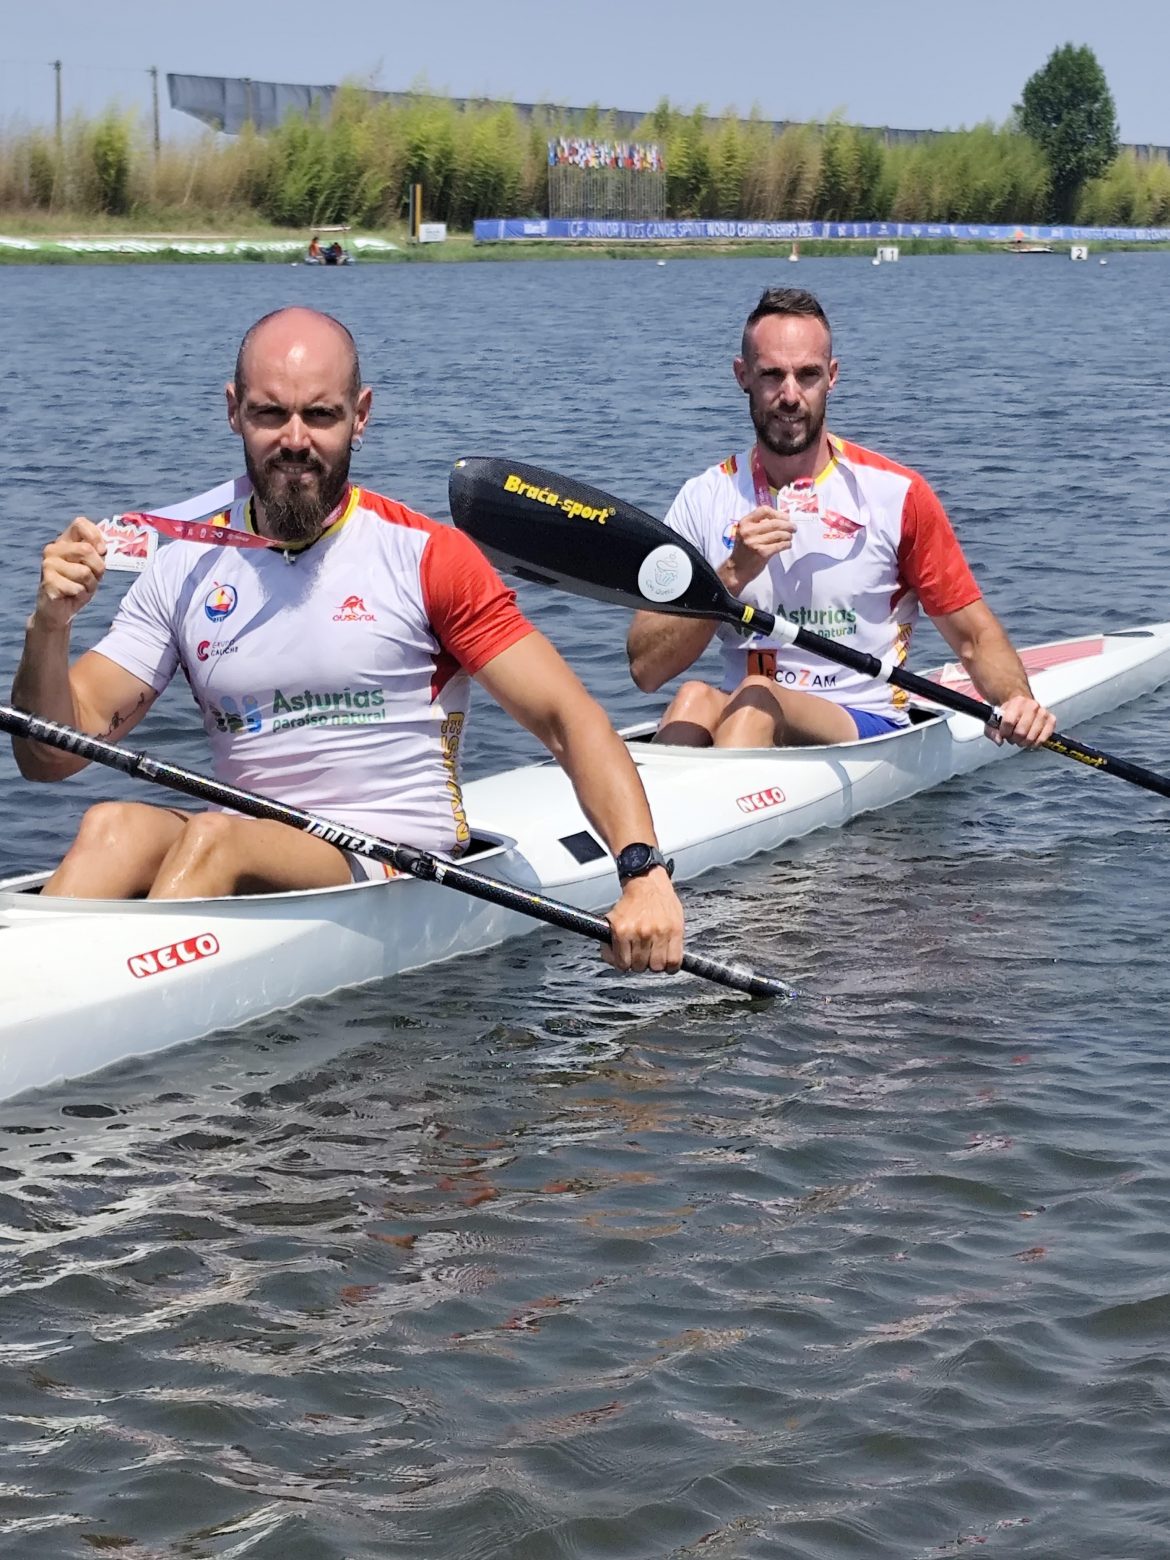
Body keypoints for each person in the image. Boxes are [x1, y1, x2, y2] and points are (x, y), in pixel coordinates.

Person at [11, 306, 683, 975]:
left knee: (215, 840)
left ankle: (112, 1009)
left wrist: (642, 869)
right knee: (111, 828)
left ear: (361, 415)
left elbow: (569, 722)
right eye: (271, 414)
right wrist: (49, 626)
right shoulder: (182, 565)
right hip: (245, 849)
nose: (295, 440)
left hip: (393, 857)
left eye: (322, 416)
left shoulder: (425, 557)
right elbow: (49, 758)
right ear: (233, 411)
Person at [627, 287, 1057, 752]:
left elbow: (973, 637)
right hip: (749, 714)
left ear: (831, 378)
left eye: (807, 375)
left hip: (865, 721)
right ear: (742, 375)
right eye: (772, 375)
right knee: (691, 697)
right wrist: (729, 576)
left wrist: (1015, 699)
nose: (790, 396)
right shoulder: (702, 498)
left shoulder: (896, 495)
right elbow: (646, 669)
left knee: (756, 695)